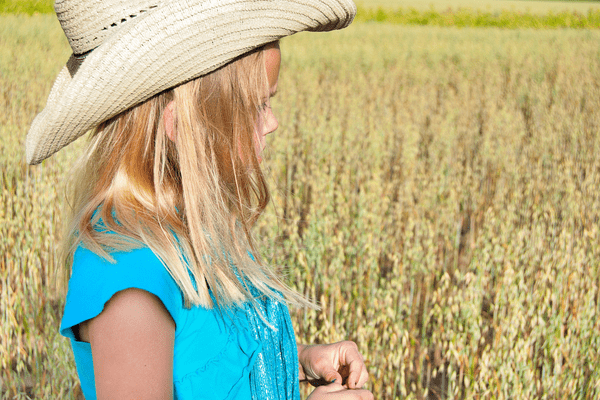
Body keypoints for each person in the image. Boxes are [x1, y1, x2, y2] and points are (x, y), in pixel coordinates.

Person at [26, 0, 372, 399]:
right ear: (182, 125)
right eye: (258, 105)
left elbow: (208, 366)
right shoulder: (130, 284)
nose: (273, 121)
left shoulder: (192, 222)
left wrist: (294, 360)